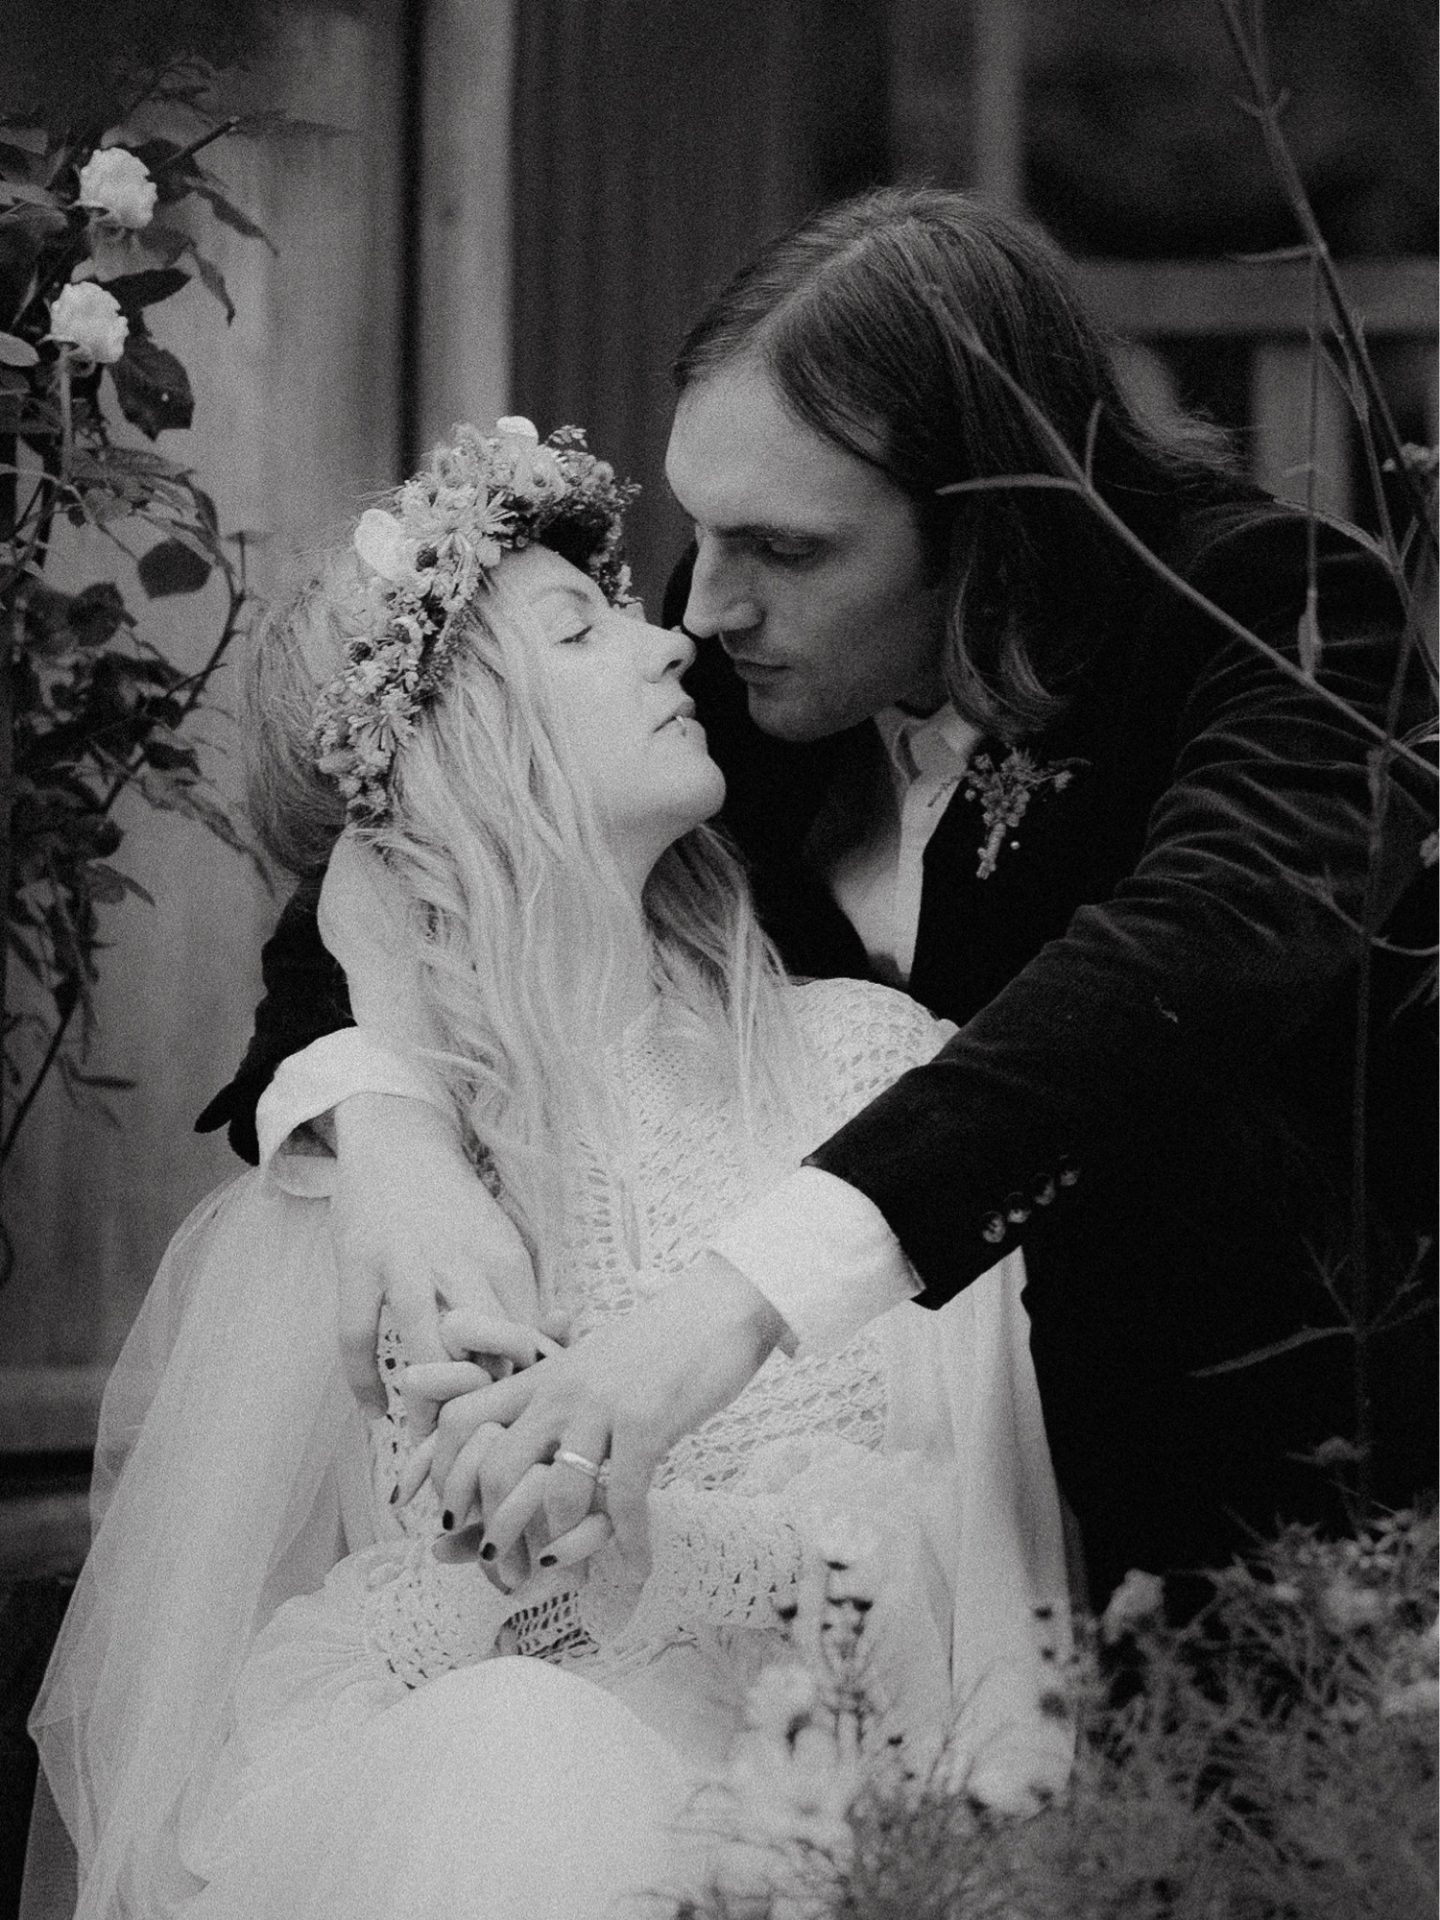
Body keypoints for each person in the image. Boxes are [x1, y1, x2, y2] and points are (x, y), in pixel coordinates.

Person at [198, 187, 1437, 1609]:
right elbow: (404, 837)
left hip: (1290, 1543)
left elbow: (1191, 955)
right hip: (838, 1605)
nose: (703, 611)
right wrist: (393, 1145)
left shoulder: (1269, 615)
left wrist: (716, 1316)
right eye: (705, 533)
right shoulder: (749, 642)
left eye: (786, 548)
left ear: (989, 522)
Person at [31, 421, 1070, 1920]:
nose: (673, 648)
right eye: (588, 630)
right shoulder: (362, 1200)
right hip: (437, 1834)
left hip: (823, 1841)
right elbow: (250, 1695)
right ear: (469, 758)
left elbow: (983, 1611)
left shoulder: (878, 1086)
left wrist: (665, 1545)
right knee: (508, 1743)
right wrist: (497, 1565)